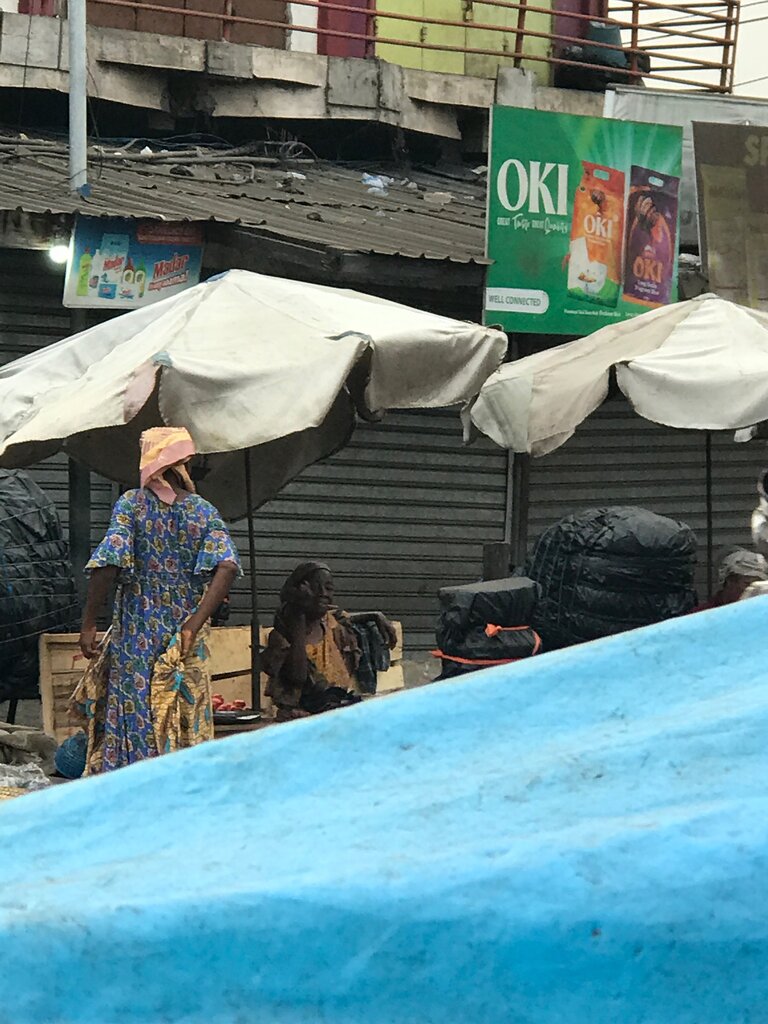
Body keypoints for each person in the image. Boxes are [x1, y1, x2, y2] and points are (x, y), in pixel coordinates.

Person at [74, 427, 240, 774]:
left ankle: (137, 789)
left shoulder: (132, 504)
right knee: (183, 712)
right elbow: (226, 565)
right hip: (184, 640)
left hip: (137, 637)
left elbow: (107, 563)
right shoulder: (203, 512)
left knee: (138, 714)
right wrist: (193, 625)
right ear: (181, 464)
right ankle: (183, 789)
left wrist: (89, 622)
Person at [263, 562, 396, 719]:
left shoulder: (331, 625)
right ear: (298, 593)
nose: (323, 593)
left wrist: (375, 615)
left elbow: (346, 618)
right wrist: (298, 614)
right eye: (315, 588)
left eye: (329, 588)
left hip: (335, 710)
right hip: (301, 718)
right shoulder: (282, 636)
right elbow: (297, 677)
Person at [693, 549, 768, 611]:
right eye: (747, 584)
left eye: (760, 583)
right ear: (730, 581)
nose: (755, 589)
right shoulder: (702, 615)